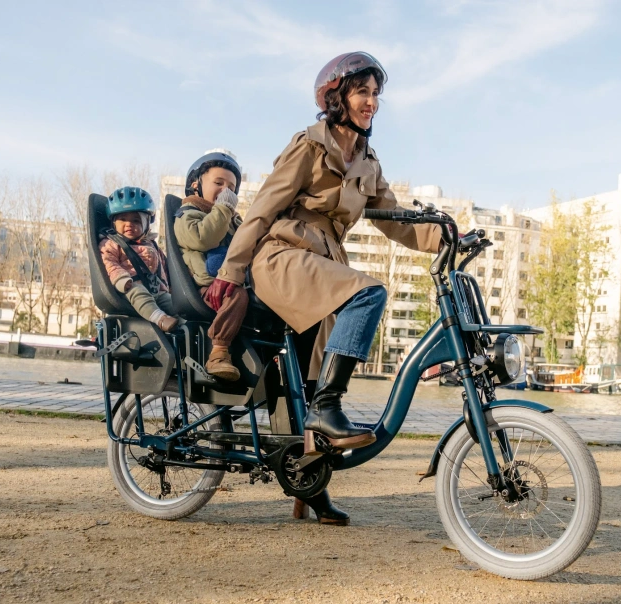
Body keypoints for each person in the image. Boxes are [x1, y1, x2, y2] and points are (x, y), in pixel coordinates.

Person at [206, 52, 443, 525]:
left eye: (375, 94)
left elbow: (396, 222)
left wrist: (448, 237)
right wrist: (230, 271)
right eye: (362, 92)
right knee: (369, 293)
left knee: (308, 384)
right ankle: (328, 409)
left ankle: (308, 488)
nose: (371, 102)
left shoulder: (368, 162)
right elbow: (262, 208)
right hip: (282, 257)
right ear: (337, 98)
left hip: (324, 267)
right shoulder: (309, 146)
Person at [174, 150, 249, 381]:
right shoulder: (187, 214)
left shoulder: (230, 220)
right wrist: (224, 208)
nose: (226, 191)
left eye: (231, 188)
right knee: (237, 296)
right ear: (195, 185)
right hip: (205, 288)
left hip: (229, 280)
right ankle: (218, 353)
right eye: (218, 183)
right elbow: (204, 239)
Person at [100, 187, 178, 332]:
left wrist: (173, 288)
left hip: (158, 291)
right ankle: (159, 318)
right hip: (129, 287)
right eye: (123, 219)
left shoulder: (152, 245)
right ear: (113, 222)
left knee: (173, 303)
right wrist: (122, 280)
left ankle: (184, 324)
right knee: (139, 293)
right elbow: (108, 263)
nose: (129, 224)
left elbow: (166, 268)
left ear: (146, 224)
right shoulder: (111, 243)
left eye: (136, 220)